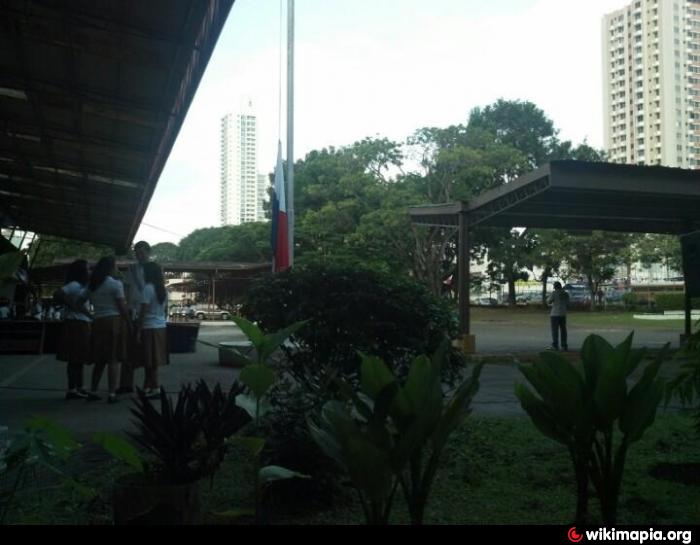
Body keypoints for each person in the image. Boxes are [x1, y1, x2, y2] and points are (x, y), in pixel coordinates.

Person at [88, 256, 131, 403]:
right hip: (113, 321)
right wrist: (129, 322)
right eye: (115, 266)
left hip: (97, 321)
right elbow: (122, 307)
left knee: (99, 360)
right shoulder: (115, 284)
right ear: (111, 268)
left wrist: (90, 314)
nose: (117, 269)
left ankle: (92, 391)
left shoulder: (92, 285)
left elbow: (79, 301)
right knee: (113, 359)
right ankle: (112, 393)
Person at [54, 259, 92, 400]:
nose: (89, 271)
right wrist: (73, 305)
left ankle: (79, 387)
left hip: (80, 323)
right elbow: (57, 294)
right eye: (87, 269)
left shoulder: (82, 286)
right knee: (74, 358)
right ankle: (72, 389)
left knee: (79, 358)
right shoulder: (74, 285)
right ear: (81, 271)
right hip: (76, 324)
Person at [117, 241, 151, 395]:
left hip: (148, 313)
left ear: (148, 252)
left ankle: (148, 385)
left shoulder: (154, 269)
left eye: (142, 252)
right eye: (137, 252)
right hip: (132, 313)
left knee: (148, 351)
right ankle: (126, 384)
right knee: (128, 349)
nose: (139, 255)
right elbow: (125, 290)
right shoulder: (131, 269)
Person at [136, 262, 168, 399]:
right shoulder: (163, 290)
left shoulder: (147, 289)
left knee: (149, 361)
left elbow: (143, 312)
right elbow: (165, 311)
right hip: (160, 327)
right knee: (153, 361)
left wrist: (137, 330)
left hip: (148, 327)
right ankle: (148, 387)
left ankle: (155, 388)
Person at [547, 281, 569, 351]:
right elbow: (568, 303)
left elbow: (549, 301)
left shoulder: (554, 293)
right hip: (563, 313)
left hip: (555, 314)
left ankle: (555, 345)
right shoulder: (565, 293)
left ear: (555, 287)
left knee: (555, 330)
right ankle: (564, 345)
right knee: (563, 330)